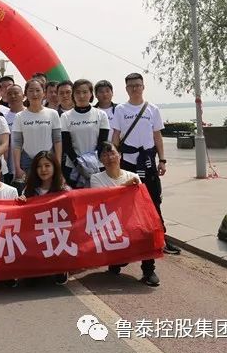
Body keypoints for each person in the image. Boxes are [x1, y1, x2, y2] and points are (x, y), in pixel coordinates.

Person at [111, 73, 180, 255]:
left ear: (143, 87)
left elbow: (157, 136)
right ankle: (131, 239)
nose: (135, 88)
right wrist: (114, 158)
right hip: (128, 163)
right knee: (128, 203)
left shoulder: (152, 109)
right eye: (131, 86)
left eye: (138, 85)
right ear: (126, 89)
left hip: (148, 162)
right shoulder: (120, 110)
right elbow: (116, 135)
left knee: (154, 200)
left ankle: (161, 238)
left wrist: (162, 160)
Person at [90, 142, 160, 287]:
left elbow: (140, 202)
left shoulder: (132, 176)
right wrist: (124, 187)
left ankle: (148, 271)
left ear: (120, 155)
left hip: (130, 220)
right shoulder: (96, 178)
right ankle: (115, 260)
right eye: (105, 155)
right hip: (110, 224)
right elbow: (102, 200)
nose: (110, 157)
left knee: (149, 232)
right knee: (120, 257)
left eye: (112, 153)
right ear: (100, 159)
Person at [19, 151, 71, 285]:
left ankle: (62, 268)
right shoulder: (29, 190)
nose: (43, 169)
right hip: (36, 234)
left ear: (54, 167)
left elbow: (72, 216)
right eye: (39, 166)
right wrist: (21, 202)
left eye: (47, 165)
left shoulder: (64, 190)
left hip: (57, 234)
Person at [11, 79, 62, 187]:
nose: (34, 94)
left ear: (44, 93)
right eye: (31, 90)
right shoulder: (20, 116)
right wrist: (17, 167)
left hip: (49, 161)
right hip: (27, 162)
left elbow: (57, 140)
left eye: (38, 90)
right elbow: (17, 143)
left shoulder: (53, 114)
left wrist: (58, 163)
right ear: (25, 94)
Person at [60, 79, 109, 187]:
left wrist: (90, 162)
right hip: (73, 167)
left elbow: (102, 142)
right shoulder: (65, 116)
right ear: (73, 94)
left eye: (85, 92)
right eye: (77, 92)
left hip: (97, 165)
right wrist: (78, 164)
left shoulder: (101, 115)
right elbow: (66, 144)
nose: (81, 96)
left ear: (91, 94)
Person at [3, 84, 25, 187]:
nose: (13, 96)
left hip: (29, 164)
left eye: (16, 93)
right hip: (11, 167)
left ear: (23, 96)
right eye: (9, 94)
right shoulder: (3, 118)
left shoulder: (30, 114)